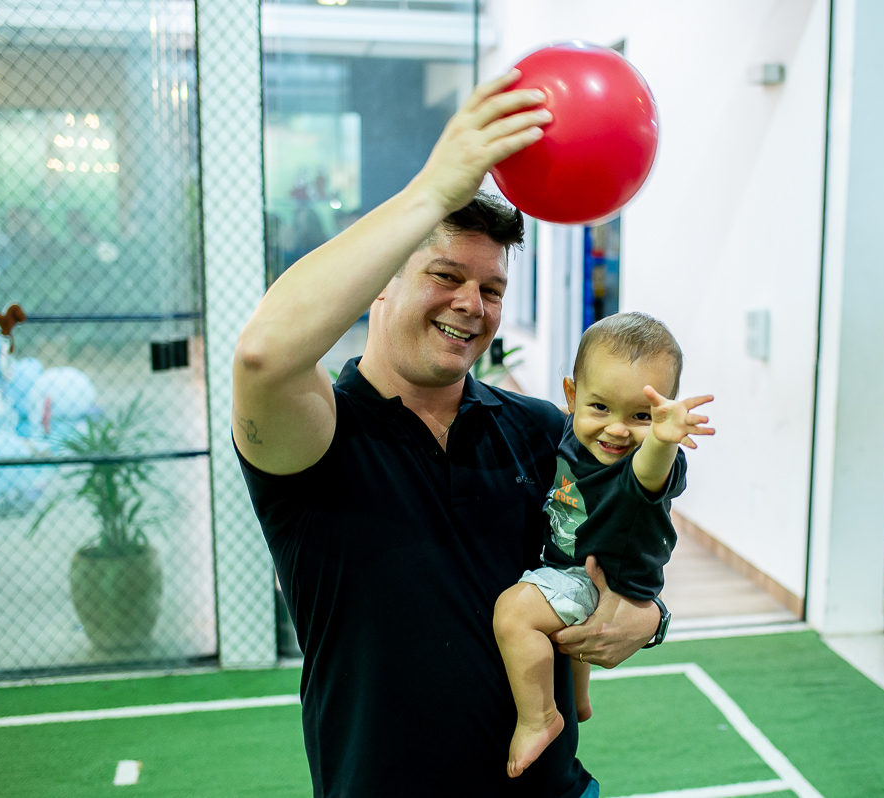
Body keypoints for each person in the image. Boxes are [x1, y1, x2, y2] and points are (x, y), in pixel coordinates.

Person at [232, 70, 663, 798]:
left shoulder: (539, 431)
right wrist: (431, 190)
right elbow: (262, 354)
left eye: (491, 289)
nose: (471, 305)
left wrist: (650, 616)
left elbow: (619, 542)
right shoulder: (316, 439)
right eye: (443, 275)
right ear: (380, 284)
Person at [494, 313, 714, 777]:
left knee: (514, 613)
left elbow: (649, 472)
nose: (617, 430)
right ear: (571, 397)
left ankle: (540, 717)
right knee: (569, 642)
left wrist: (661, 439)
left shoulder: (639, 463)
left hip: (600, 577)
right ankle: (578, 700)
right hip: (582, 566)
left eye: (641, 415)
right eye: (601, 408)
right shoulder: (572, 435)